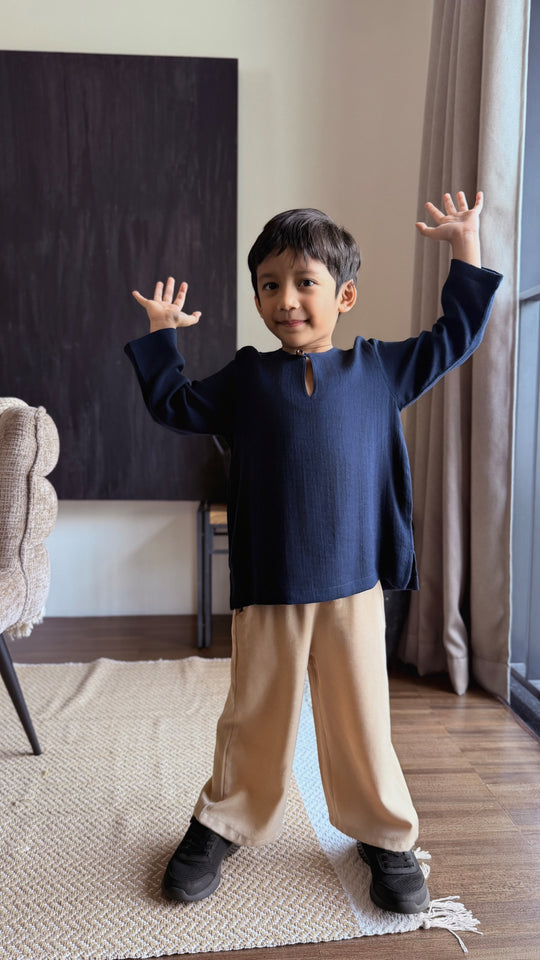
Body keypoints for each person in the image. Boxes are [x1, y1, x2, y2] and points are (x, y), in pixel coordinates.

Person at [125, 192, 502, 913]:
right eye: (270, 284)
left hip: (355, 579)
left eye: (305, 282)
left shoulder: (381, 370)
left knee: (361, 714)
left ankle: (385, 836)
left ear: (345, 295)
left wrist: (464, 247)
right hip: (271, 579)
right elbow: (175, 404)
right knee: (254, 712)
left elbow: (457, 332)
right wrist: (162, 335)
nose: (286, 299)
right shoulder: (244, 379)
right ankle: (224, 820)